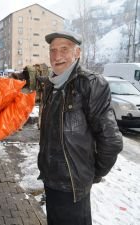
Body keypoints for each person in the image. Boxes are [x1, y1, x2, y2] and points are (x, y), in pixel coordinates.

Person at [37, 30, 123, 225]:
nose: (57, 56)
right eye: (53, 50)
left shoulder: (90, 83)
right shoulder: (51, 86)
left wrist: (92, 174)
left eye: (64, 50)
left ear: (77, 53)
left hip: (73, 187)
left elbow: (111, 140)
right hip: (51, 181)